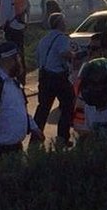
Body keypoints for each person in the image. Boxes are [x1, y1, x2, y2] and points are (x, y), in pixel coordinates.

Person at [0, 41, 45, 162]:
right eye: (18, 59)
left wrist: (34, 127)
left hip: (15, 149)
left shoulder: (13, 82)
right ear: (8, 60)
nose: (21, 63)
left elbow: (18, 108)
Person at [32, 12, 76, 147]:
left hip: (44, 76)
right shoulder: (62, 38)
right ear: (60, 23)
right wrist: (73, 55)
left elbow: (37, 57)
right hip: (58, 77)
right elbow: (63, 52)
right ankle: (62, 138)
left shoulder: (44, 39)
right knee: (68, 105)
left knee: (43, 108)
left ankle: (35, 137)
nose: (66, 23)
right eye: (64, 21)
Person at [0, 0, 29, 83]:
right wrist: (27, 21)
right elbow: (27, 4)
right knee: (21, 52)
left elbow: (4, 9)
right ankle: (22, 77)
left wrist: (0, 25)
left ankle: (14, 78)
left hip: (11, 25)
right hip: (20, 22)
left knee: (11, 53)